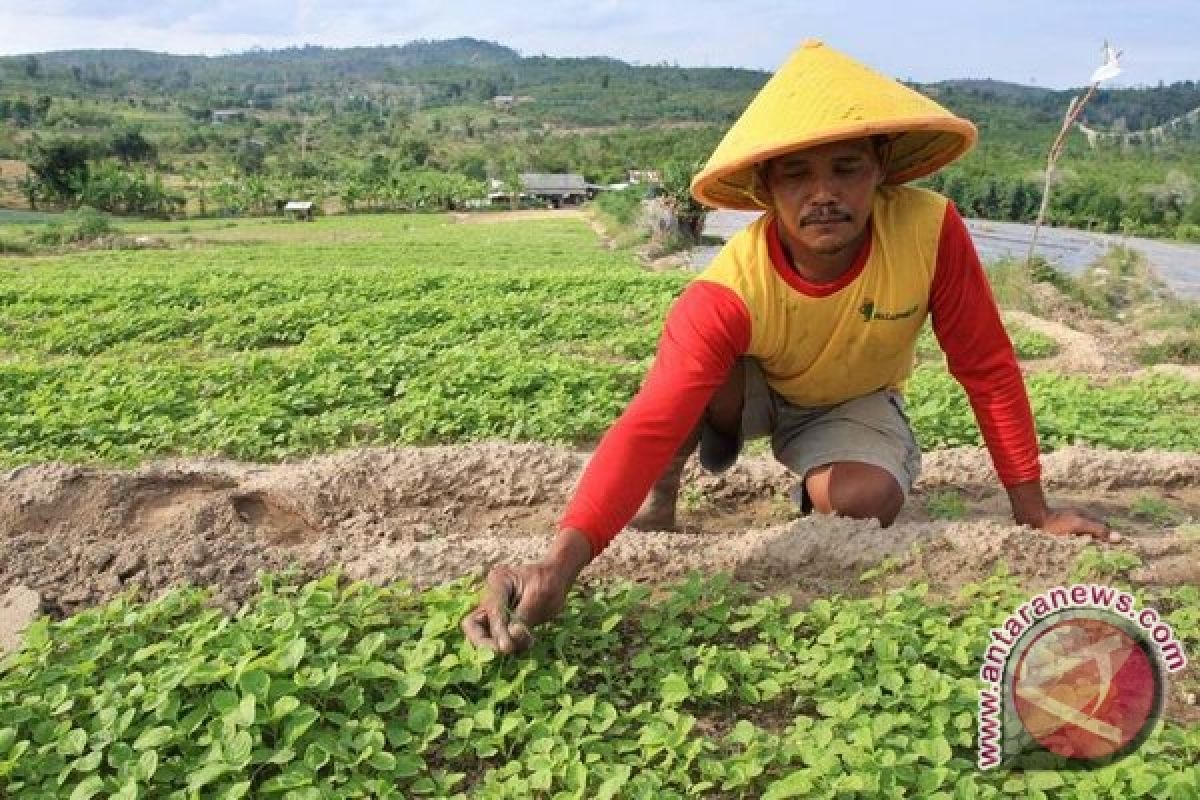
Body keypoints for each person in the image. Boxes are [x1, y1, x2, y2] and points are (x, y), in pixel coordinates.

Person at [462, 40, 1117, 654]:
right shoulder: (726, 290)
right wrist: (557, 566)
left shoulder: (930, 230)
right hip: (751, 387)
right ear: (767, 189)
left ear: (880, 167)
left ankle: (814, 482)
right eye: (797, 175)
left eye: (846, 168)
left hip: (851, 401)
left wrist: (1033, 511)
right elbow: (649, 420)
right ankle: (665, 492)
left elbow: (987, 367)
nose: (824, 193)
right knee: (686, 386)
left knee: (865, 500)